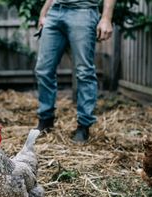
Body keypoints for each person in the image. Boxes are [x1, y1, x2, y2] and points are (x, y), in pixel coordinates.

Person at [34, 0, 116, 143]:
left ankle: (83, 126)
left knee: (84, 72)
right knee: (43, 70)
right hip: (55, 11)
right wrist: (43, 12)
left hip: (83, 11)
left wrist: (106, 17)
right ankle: (46, 120)